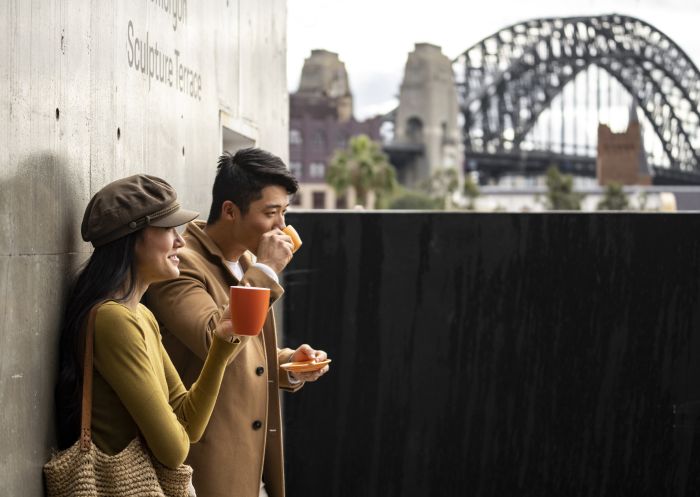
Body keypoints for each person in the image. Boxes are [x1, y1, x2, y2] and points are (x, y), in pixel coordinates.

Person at [144, 148, 329, 497]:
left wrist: (289, 364)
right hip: (205, 469)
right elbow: (214, 339)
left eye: (284, 213)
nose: (282, 228)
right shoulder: (180, 265)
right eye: (270, 213)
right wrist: (267, 271)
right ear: (230, 210)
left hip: (254, 468)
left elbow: (248, 354)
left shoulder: (247, 262)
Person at [55, 174, 242, 485]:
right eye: (168, 229)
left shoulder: (142, 314)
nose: (180, 241)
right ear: (132, 239)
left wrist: (220, 347)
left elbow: (189, 424)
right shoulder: (113, 320)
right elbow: (174, 451)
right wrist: (176, 431)